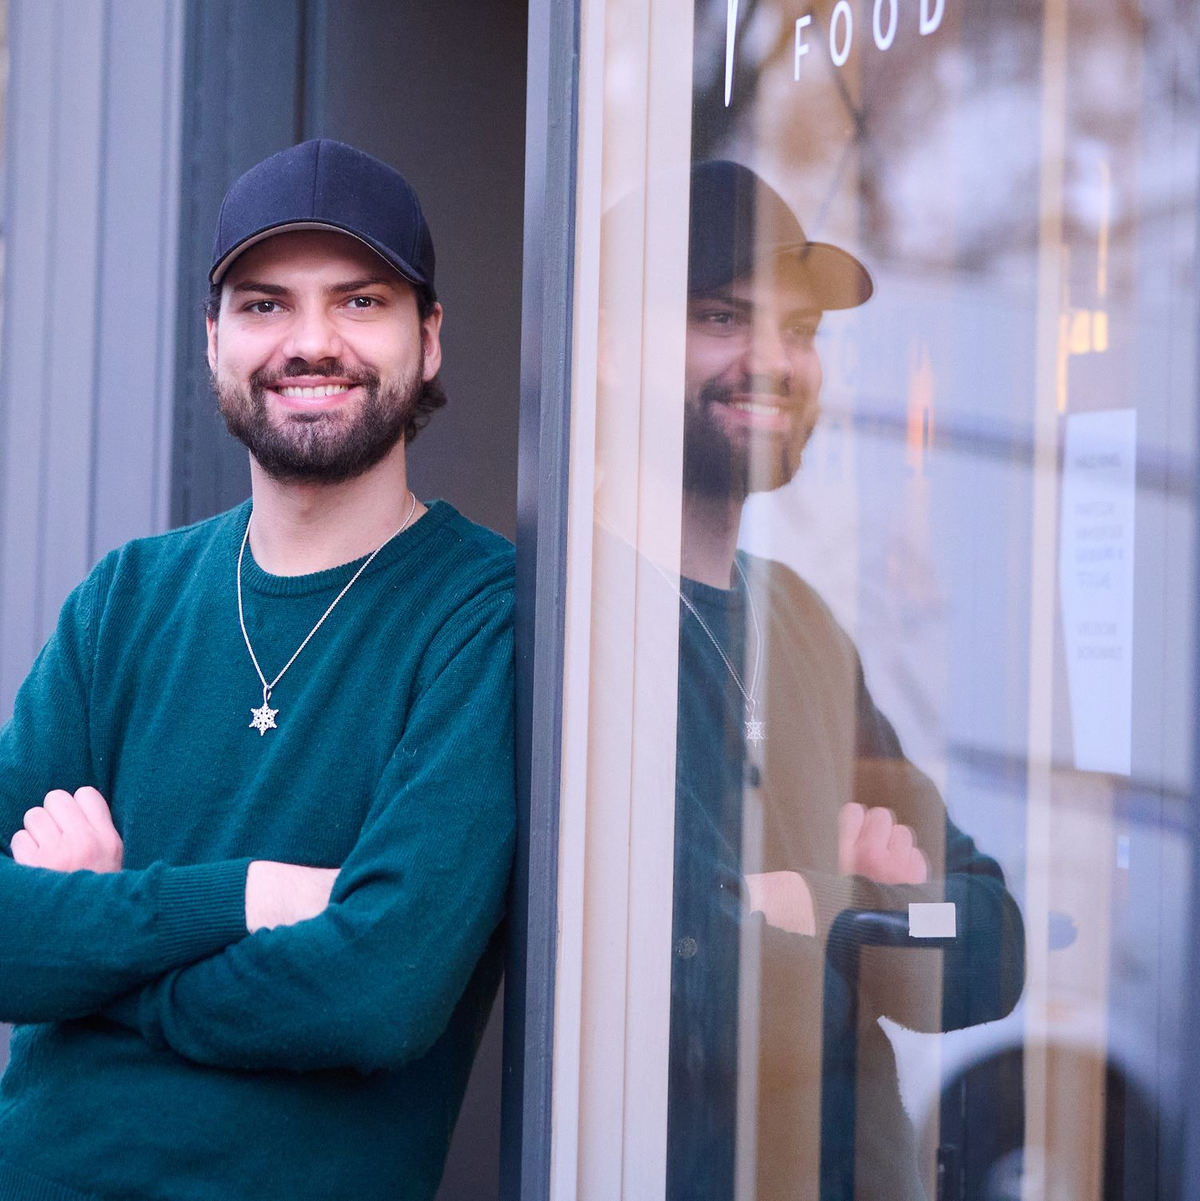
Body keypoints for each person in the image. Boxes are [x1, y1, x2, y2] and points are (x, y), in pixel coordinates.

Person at [0, 139, 515, 1201]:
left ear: (428, 340)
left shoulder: (487, 613)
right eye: (265, 304)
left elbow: (379, 987)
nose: (310, 342)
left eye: (359, 300)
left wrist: (98, 949)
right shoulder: (123, 600)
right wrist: (246, 895)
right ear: (214, 341)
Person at [658, 161, 1026, 1200]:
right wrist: (865, 906)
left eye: (802, 329)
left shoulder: (801, 625)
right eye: (723, 316)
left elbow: (991, 941)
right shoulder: (569, 625)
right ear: (611, 344)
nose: (775, 361)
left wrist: (821, 907)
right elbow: (700, 984)